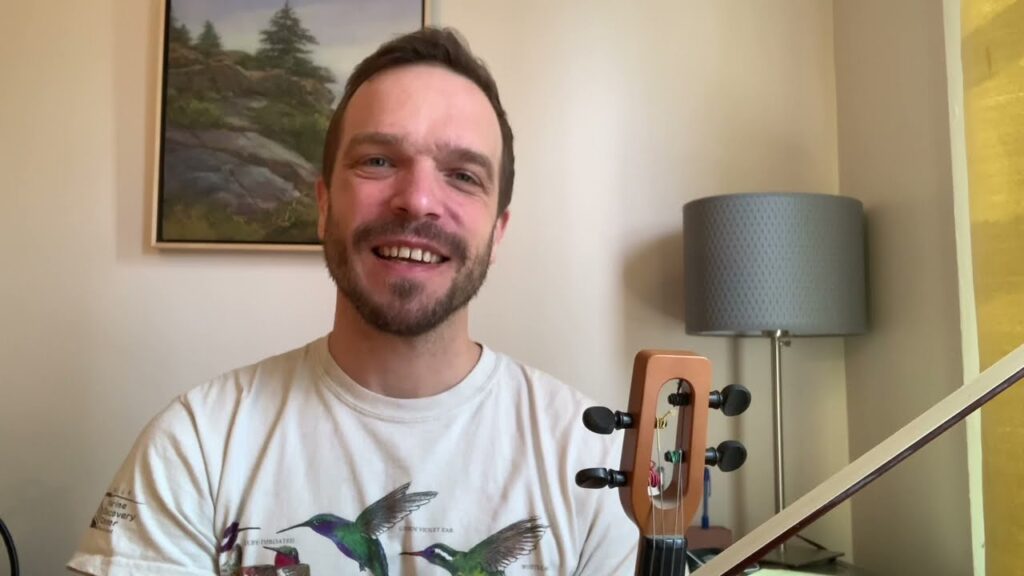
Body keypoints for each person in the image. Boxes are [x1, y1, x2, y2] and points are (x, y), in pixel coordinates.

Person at [68, 27, 637, 576]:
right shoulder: (196, 443)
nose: (416, 201)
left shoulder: (598, 458)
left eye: (462, 175)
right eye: (379, 161)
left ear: (498, 234)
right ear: (323, 205)